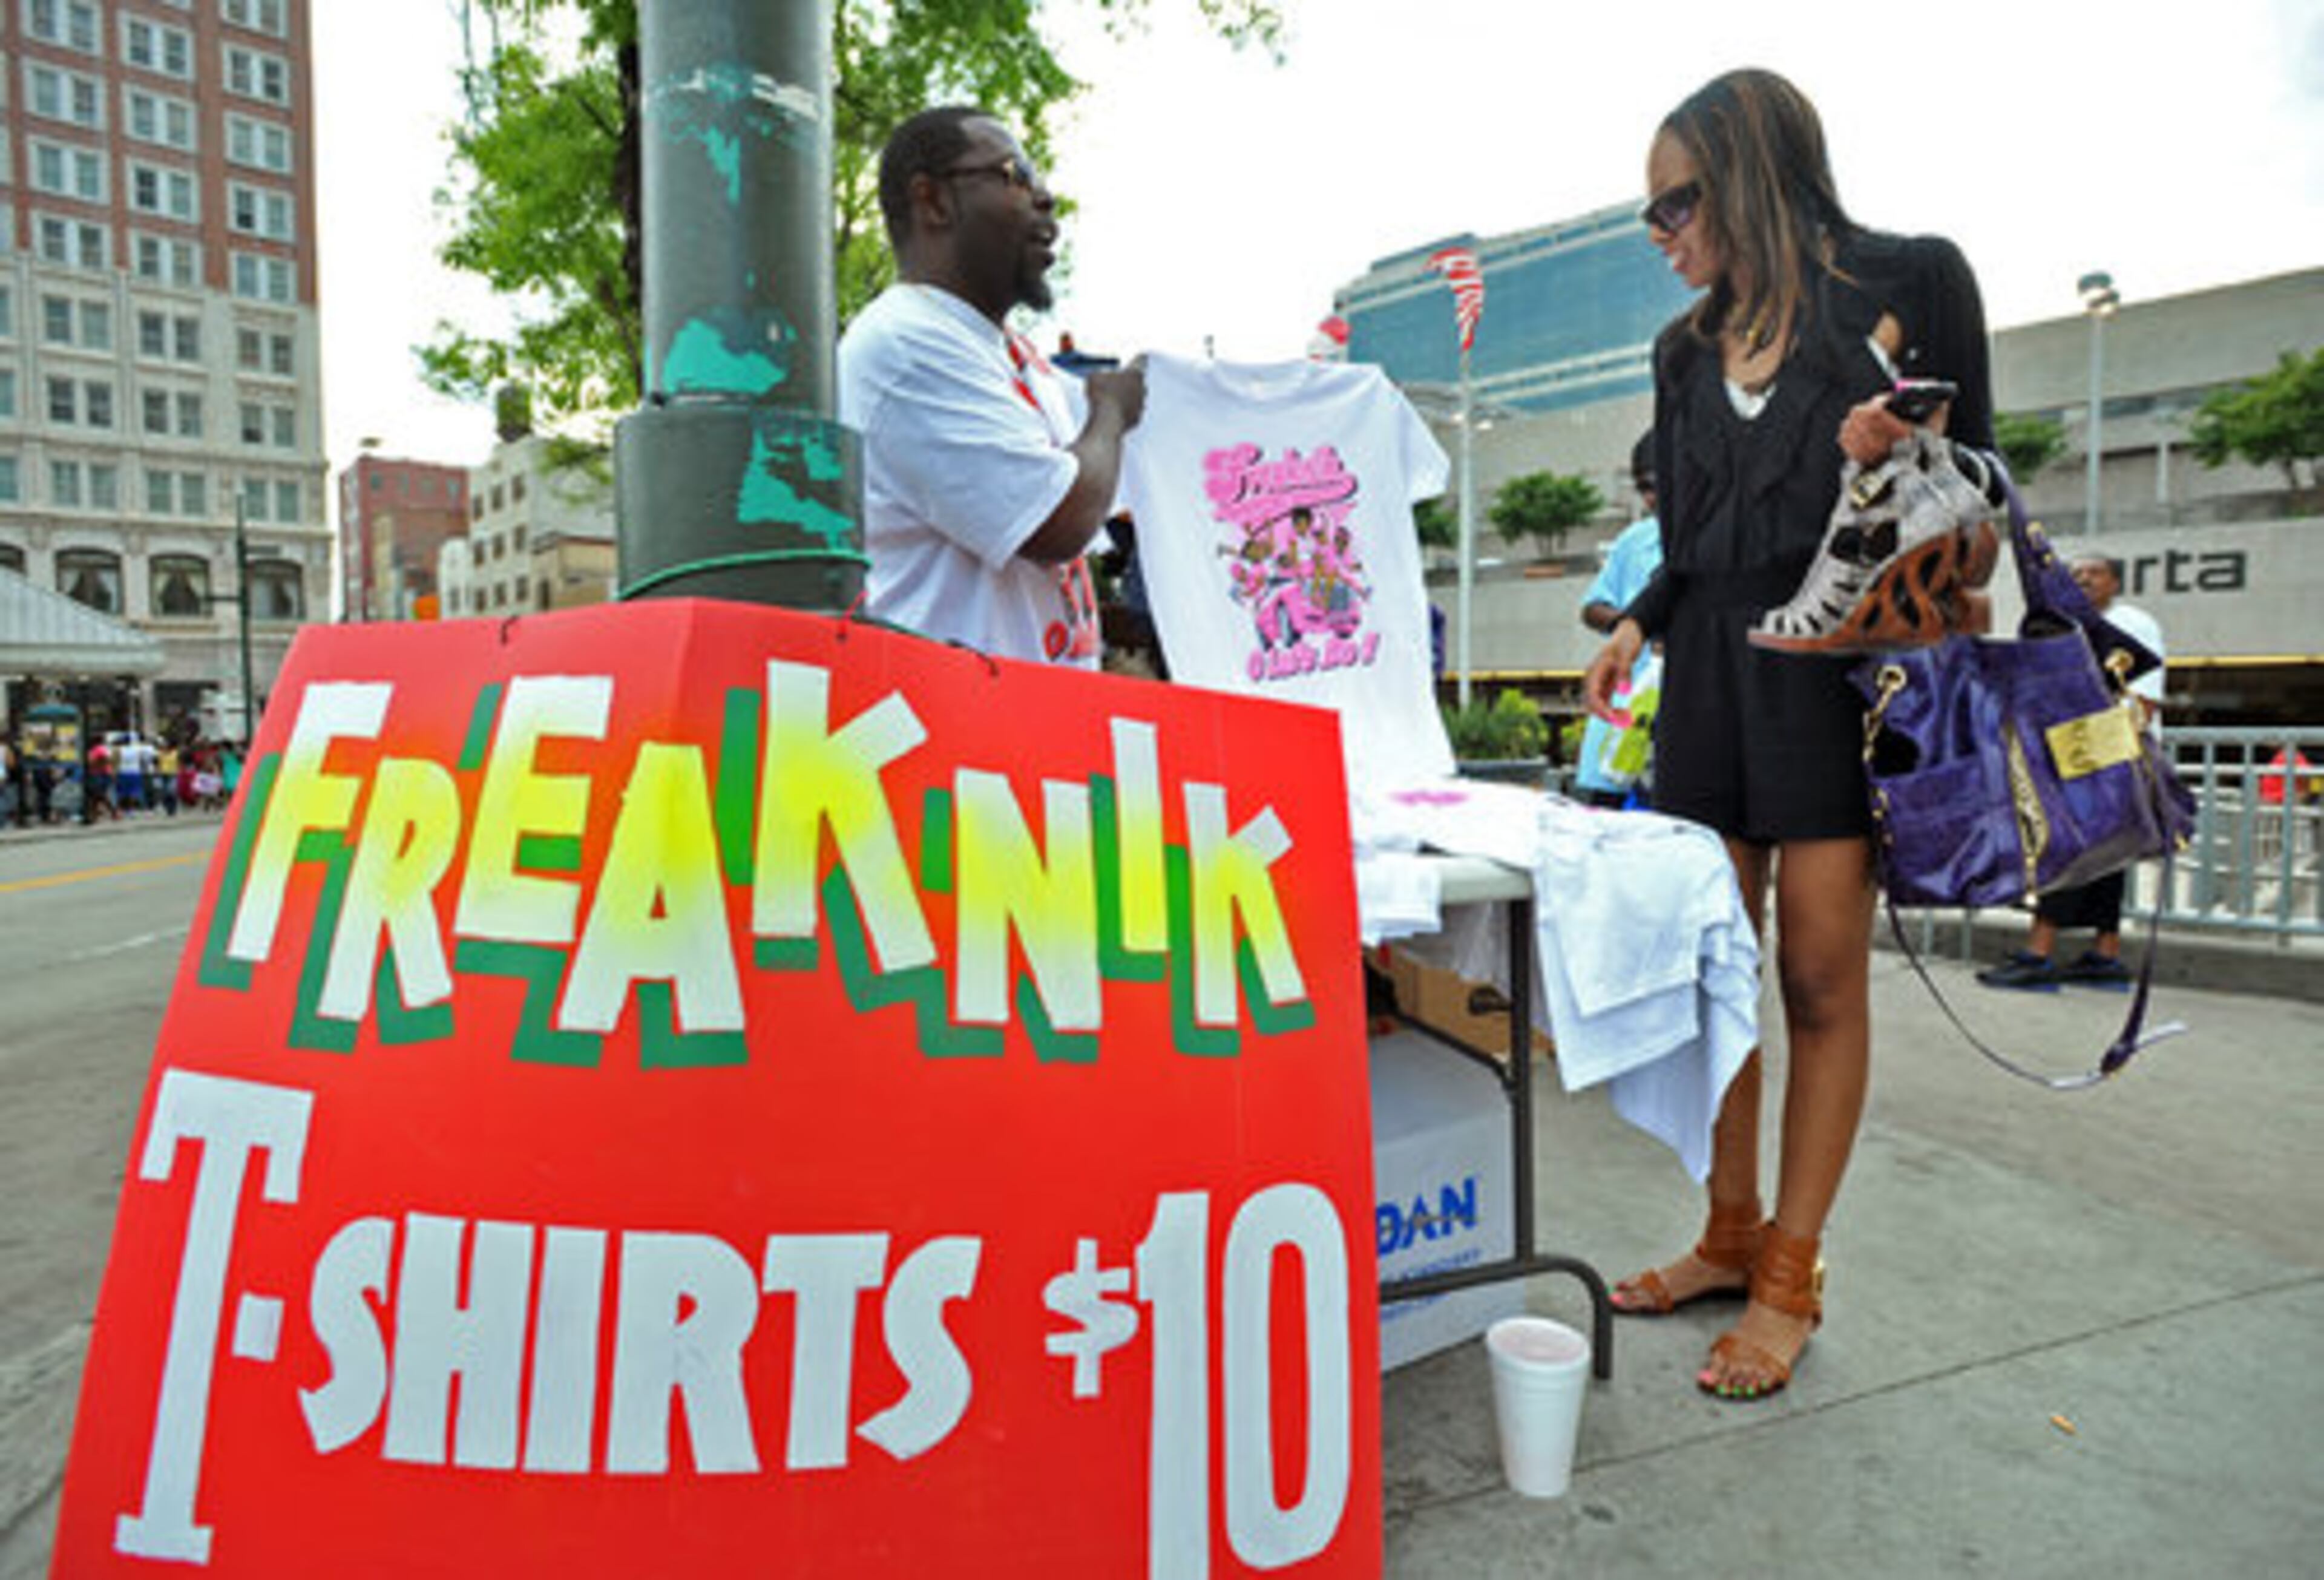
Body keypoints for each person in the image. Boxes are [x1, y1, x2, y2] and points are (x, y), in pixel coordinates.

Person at [1583, 68, 1996, 1401]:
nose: (1663, 238)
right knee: (1712, 977)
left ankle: (1790, 1276)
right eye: (1648, 217)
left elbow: (1979, 498)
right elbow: (1694, 536)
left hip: (1835, 667)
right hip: (1707, 664)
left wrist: (1896, 451)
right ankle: (1725, 1231)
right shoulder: (1682, 348)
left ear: (1755, 166)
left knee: (1818, 979)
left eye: (1678, 204)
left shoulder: (1909, 281)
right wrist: (1636, 621)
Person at [840, 106, 1147, 666]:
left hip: (1030, 725)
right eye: (1015, 175)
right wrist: (1110, 412)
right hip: (953, 729)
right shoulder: (906, 345)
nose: (1045, 197)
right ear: (933, 201)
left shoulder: (1009, 354)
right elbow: (1060, 522)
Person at [1978, 555, 2165, 991]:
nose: (2082, 580)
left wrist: (2094, 754)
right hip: (2088, 751)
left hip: (2105, 752)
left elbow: (2144, 698)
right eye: (2075, 575)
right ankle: (2105, 956)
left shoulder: (2131, 623)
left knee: (2065, 851)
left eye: (2094, 573)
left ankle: (2038, 956)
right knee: (2107, 859)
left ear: (2116, 581)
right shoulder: (2075, 627)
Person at [1572, 433, 1666, 808]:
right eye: (1644, 489)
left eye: (1659, 485)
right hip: (1626, 711)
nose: (1651, 498)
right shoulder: (1636, 540)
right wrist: (1633, 625)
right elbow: (1593, 606)